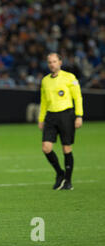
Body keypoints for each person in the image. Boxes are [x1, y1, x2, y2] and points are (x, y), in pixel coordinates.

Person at [38, 53, 83, 191]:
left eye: (54, 61)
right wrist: (41, 119)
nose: (52, 64)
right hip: (51, 116)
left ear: (60, 62)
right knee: (46, 148)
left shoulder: (69, 77)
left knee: (66, 148)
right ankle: (60, 173)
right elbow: (44, 101)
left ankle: (68, 182)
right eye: (50, 62)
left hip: (66, 115)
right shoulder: (45, 80)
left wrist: (79, 115)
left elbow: (78, 97)